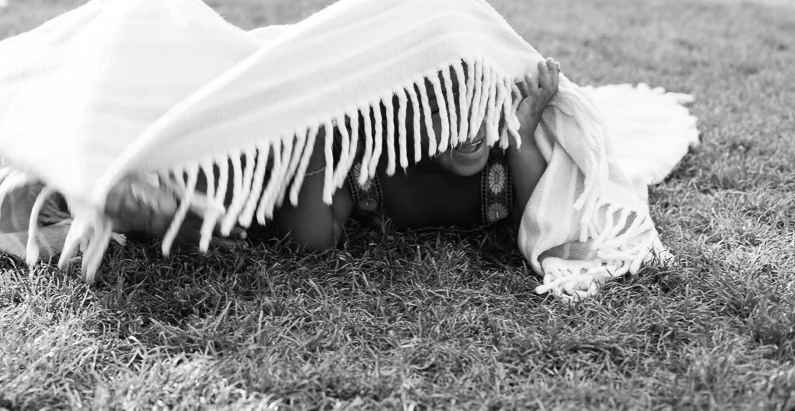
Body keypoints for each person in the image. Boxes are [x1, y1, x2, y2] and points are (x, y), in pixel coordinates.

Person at [104, 58, 561, 250]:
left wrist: (525, 126)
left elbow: (540, 217)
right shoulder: (372, 159)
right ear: (401, 118)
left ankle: (150, 209)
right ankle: (145, 185)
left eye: (475, 99)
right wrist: (315, 136)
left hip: (280, 178)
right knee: (241, 183)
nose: (468, 122)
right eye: (440, 109)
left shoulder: (503, 148)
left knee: (229, 225)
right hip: (284, 155)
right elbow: (311, 238)